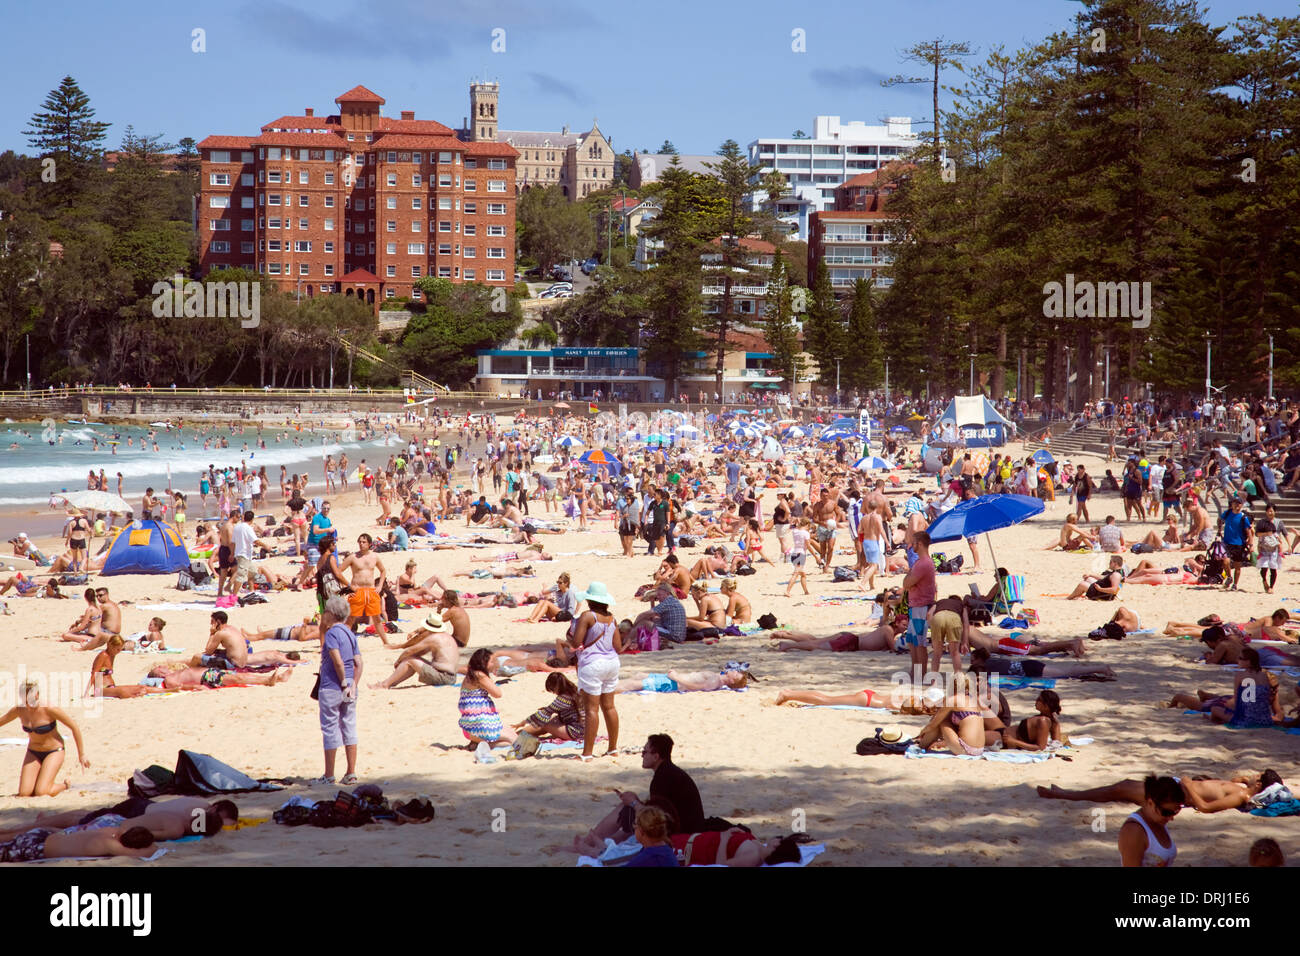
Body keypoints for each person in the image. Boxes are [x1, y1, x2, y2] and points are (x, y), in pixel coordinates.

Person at [570, 734, 706, 852]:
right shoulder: (670, 772)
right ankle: (593, 843)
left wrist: (634, 803)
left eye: (645, 752)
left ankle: (588, 842)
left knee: (626, 809)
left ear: (656, 756)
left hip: (680, 832)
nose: (642, 755)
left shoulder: (663, 778)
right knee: (629, 822)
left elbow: (658, 818)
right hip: (686, 827)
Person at [1038, 769, 1285, 813]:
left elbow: (1206, 808)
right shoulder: (1242, 787)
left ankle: (1065, 794)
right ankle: (1066, 793)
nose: (1253, 775)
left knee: (1120, 789)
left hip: (1179, 794)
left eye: (1257, 776)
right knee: (1123, 785)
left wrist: (1188, 786)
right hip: (1178, 786)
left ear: (1260, 785)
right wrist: (1242, 779)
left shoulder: (1242, 795)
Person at [0, 680, 90, 797]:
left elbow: (74, 727)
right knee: (24, 793)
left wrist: (81, 754)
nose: (28, 704)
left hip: (53, 751)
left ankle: (65, 785)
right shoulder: (20, 710)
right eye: (25, 700)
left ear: (37, 695)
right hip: (33, 752)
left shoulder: (49, 709)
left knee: (41, 792)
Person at [571, 581, 622, 760]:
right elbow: (618, 646)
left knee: (591, 709)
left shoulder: (587, 616)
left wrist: (570, 635)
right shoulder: (612, 618)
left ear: (590, 600)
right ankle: (613, 748)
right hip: (612, 663)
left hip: (593, 664)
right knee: (609, 707)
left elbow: (576, 643)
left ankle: (587, 753)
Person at [315, 595, 362, 786]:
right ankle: (351, 772)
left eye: (325, 611)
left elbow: (337, 661)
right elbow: (359, 662)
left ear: (332, 614)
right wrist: (353, 684)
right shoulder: (350, 633)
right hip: (350, 685)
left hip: (333, 686)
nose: (322, 614)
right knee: (349, 726)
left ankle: (329, 774)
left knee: (330, 728)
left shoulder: (332, 633)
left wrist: (343, 683)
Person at [1116, 776, 1182, 867]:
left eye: (1175, 811)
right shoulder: (1133, 831)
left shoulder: (1158, 820)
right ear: (1151, 803)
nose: (1171, 818)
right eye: (1167, 812)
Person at [457, 648, 517, 748]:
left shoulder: (471, 675)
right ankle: (480, 745)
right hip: (479, 727)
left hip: (471, 726)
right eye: (491, 661)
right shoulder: (480, 676)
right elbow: (498, 694)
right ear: (483, 663)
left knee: (512, 735)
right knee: (513, 740)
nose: (494, 663)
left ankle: (477, 743)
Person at [901, 530, 937, 672]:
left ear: (920, 544)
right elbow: (908, 582)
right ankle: (915, 672)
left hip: (921, 606)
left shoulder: (923, 563)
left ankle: (920, 673)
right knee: (912, 641)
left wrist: (908, 578)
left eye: (914, 543)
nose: (911, 546)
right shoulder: (921, 562)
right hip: (916, 605)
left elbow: (907, 583)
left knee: (919, 643)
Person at [512, 673, 584, 741]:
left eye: (552, 690)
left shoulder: (564, 698)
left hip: (575, 732)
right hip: (585, 729)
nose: (554, 693)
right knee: (551, 719)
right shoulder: (574, 691)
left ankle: (517, 735)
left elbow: (541, 715)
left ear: (556, 686)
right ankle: (520, 734)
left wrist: (522, 723)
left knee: (544, 723)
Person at [970, 647, 1115, 680]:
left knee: (1065, 673)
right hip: (1029, 665)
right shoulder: (992, 660)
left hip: (1030, 669)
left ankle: (1101, 668)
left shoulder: (987, 666)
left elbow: (974, 675)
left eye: (972, 659)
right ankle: (1097, 668)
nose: (971, 662)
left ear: (978, 659)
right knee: (1064, 672)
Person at [342, 533, 387, 632]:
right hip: (357, 590)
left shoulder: (375, 557)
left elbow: (383, 570)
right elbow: (338, 572)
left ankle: (384, 641)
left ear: (369, 544)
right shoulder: (353, 557)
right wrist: (348, 586)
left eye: (364, 542)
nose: (361, 544)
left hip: (371, 590)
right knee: (351, 618)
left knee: (376, 617)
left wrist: (379, 586)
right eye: (360, 542)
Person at [998, 690, 1063, 751]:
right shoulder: (1050, 720)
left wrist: (1014, 741)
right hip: (1003, 734)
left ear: (1046, 706)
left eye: (1039, 700)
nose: (1036, 701)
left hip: (1003, 740)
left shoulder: (1043, 721)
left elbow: (1040, 747)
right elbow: (1057, 743)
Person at [1218, 496, 1254, 591]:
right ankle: (1229, 577)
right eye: (1235, 503)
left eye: (1239, 503)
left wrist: (1251, 545)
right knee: (1225, 561)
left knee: (1237, 566)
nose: (1237, 505)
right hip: (1227, 542)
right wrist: (1219, 529)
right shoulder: (1228, 513)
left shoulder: (1243, 517)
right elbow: (1219, 519)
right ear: (1232, 504)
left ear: (1241, 505)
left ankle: (1235, 584)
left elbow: (1249, 531)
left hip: (1239, 544)